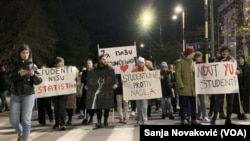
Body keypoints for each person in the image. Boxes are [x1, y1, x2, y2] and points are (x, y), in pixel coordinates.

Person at [6, 44, 42, 141]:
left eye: (27, 53)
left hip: (28, 95)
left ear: (29, 54)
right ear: (19, 53)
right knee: (13, 120)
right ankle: (21, 132)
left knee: (26, 120)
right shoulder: (14, 65)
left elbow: (39, 81)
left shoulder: (33, 65)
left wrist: (33, 75)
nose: (25, 55)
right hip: (16, 95)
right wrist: (19, 74)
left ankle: (25, 139)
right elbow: (8, 79)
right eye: (23, 53)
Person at [210, 45, 241, 125]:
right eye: (223, 52)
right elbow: (213, 71)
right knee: (218, 102)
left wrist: (238, 71)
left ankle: (228, 120)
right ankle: (214, 118)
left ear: (229, 52)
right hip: (221, 85)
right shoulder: (216, 61)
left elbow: (239, 70)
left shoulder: (233, 60)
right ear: (221, 52)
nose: (225, 53)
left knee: (230, 103)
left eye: (227, 52)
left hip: (230, 86)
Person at [175, 47, 200, 125]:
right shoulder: (180, 62)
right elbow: (177, 75)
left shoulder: (193, 63)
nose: (194, 54)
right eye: (193, 52)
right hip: (184, 88)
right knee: (183, 105)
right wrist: (181, 86)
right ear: (189, 53)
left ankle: (194, 118)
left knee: (193, 105)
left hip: (192, 88)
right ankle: (183, 119)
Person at [95, 55, 118, 128]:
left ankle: (105, 120)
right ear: (99, 60)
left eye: (105, 59)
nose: (105, 60)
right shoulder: (96, 69)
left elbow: (115, 78)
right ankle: (99, 121)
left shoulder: (110, 69)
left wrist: (116, 83)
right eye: (103, 59)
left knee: (107, 106)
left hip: (108, 89)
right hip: (99, 89)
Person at [193, 51, 210, 123]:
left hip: (202, 86)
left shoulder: (203, 65)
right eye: (198, 57)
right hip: (195, 86)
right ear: (195, 58)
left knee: (202, 102)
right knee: (196, 103)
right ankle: (198, 114)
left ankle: (204, 116)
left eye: (201, 57)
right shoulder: (193, 65)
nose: (200, 58)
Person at [51, 57, 67, 130]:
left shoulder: (66, 70)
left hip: (63, 92)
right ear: (57, 63)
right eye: (61, 62)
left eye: (63, 62)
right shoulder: (51, 71)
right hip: (54, 92)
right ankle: (57, 123)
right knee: (56, 108)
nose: (63, 64)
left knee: (62, 108)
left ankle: (63, 123)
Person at [232, 54, 250, 120]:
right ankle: (239, 114)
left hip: (245, 87)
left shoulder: (247, 66)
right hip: (238, 86)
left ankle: (243, 113)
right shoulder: (236, 66)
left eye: (242, 59)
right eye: (239, 59)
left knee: (244, 101)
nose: (240, 60)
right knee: (238, 100)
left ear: (244, 59)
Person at [132, 56, 149, 125]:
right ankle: (139, 119)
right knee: (138, 106)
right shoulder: (134, 70)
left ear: (144, 63)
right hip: (137, 91)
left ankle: (144, 119)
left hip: (144, 91)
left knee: (144, 106)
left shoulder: (147, 70)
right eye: (140, 63)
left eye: (142, 63)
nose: (141, 64)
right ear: (138, 63)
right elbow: (130, 79)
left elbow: (152, 79)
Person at [81, 59, 96, 125]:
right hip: (86, 89)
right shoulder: (84, 72)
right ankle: (85, 117)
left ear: (92, 64)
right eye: (87, 63)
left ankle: (91, 117)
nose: (88, 64)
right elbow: (82, 79)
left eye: (90, 63)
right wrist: (85, 84)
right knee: (84, 104)